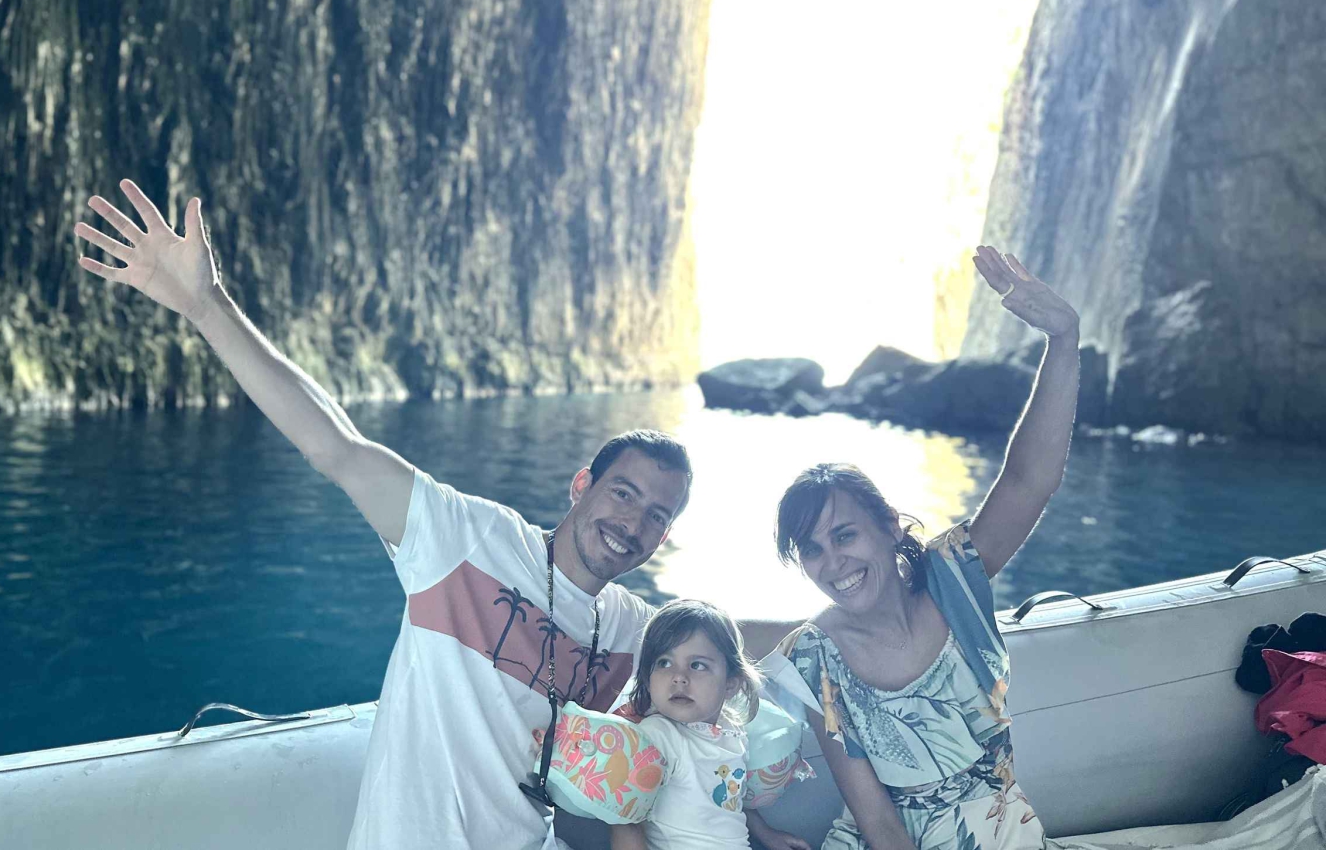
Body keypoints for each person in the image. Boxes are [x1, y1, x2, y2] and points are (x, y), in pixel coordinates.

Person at [74, 179, 690, 850]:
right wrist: (205, 303)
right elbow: (335, 446)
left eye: (656, 515)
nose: (633, 523)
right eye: (623, 493)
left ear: (664, 535)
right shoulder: (467, 541)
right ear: (581, 485)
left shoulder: (630, 629)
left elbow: (727, 643)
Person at [745, 246, 1081, 850]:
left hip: (997, 828)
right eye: (812, 551)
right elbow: (876, 820)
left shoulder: (954, 580)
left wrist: (1063, 338)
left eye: (844, 535)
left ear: (889, 526)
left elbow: (1030, 479)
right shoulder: (816, 659)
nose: (833, 564)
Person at [603, 599, 810, 850]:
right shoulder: (657, 735)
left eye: (697, 665)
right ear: (648, 680)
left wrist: (767, 835)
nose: (679, 677)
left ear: (730, 684)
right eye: (664, 663)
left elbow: (726, 801)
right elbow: (625, 818)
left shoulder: (732, 732)